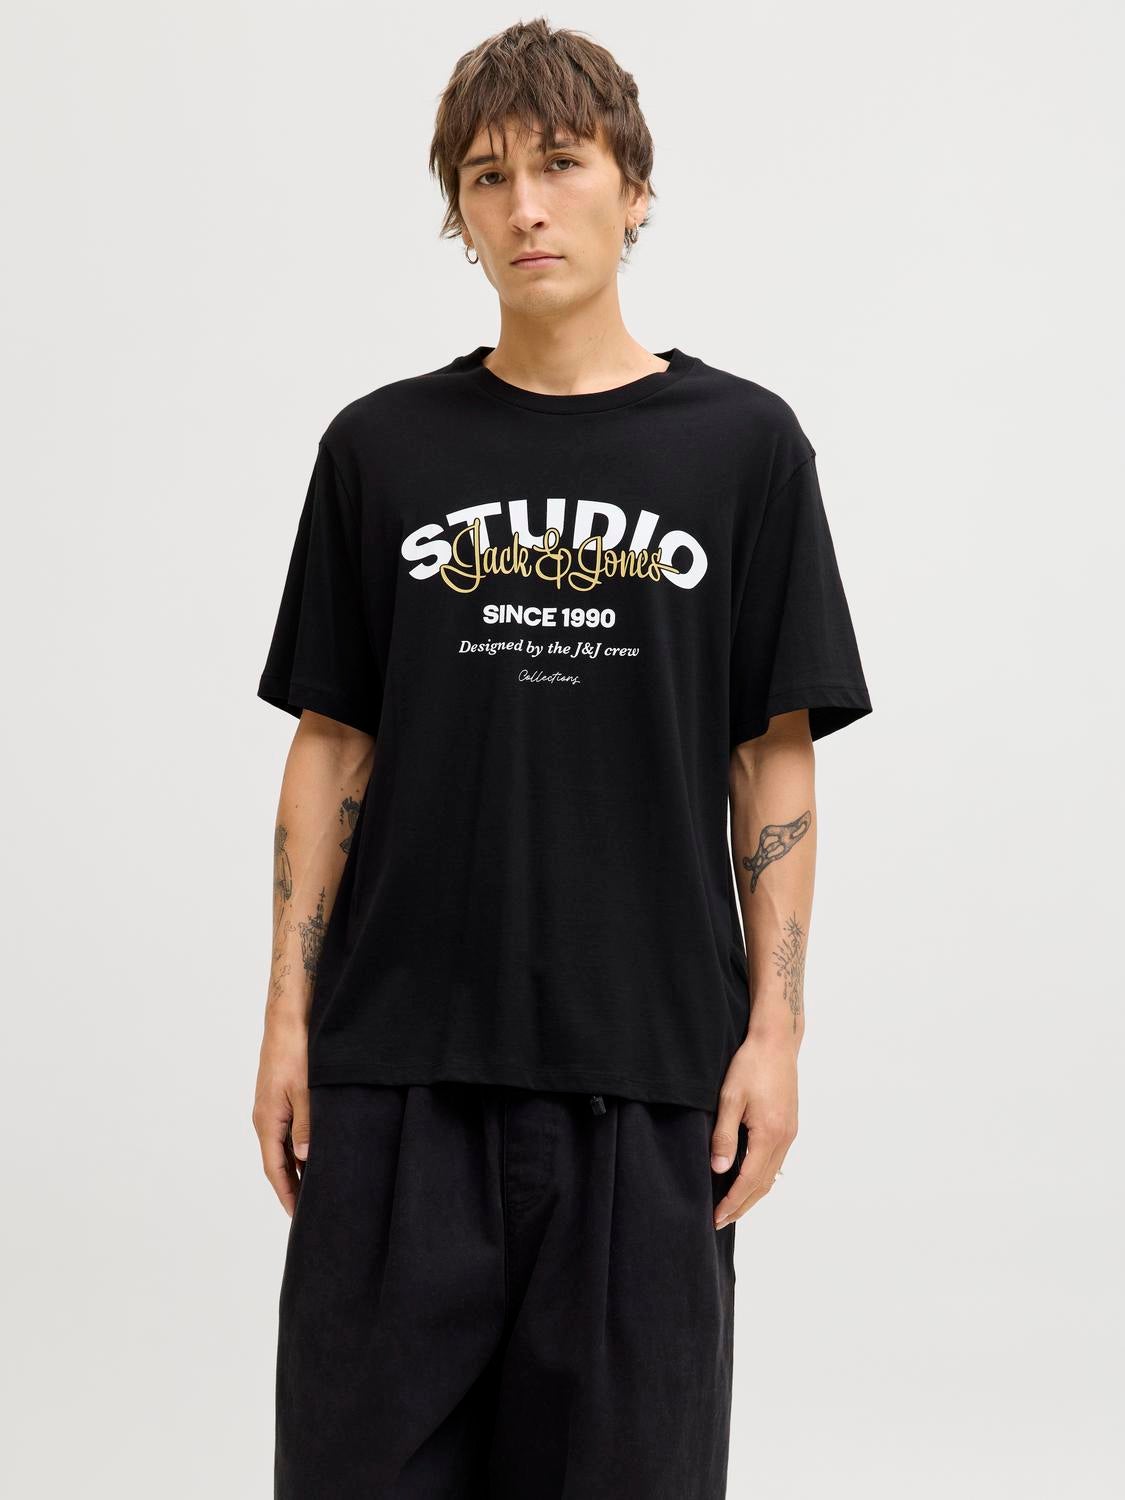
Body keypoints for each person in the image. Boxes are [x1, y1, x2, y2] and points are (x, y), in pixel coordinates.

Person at [252, 17, 872, 1499]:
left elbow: (772, 761)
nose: (525, 205)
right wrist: (286, 1022)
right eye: (487, 177)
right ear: (458, 214)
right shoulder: (380, 448)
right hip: (397, 1072)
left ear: (633, 188)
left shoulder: (742, 448)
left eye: (561, 163)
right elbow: (333, 745)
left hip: (648, 1084)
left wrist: (776, 1037)